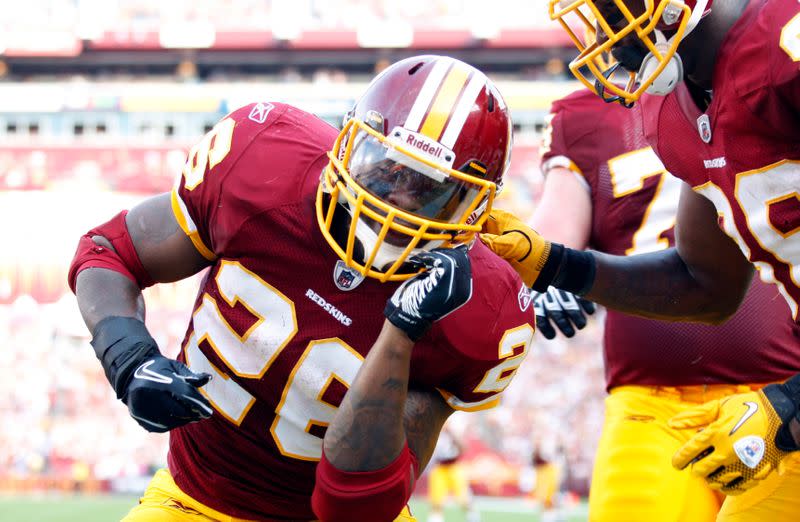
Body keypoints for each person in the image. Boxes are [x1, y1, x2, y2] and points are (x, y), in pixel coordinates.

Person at [68, 55, 536, 522]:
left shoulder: (482, 308)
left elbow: (355, 507)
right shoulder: (263, 160)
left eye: (432, 189)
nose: (398, 200)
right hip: (194, 500)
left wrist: (403, 328)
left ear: (475, 207)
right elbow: (108, 249)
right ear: (350, 142)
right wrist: (129, 359)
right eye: (387, 168)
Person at [479, 0, 800, 518]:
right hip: (709, 404)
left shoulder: (786, 41)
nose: (604, 29)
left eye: (612, 7)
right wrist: (556, 264)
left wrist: (791, 404)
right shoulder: (677, 108)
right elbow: (705, 284)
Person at [531, 86, 800, 521]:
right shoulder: (583, 114)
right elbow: (554, 230)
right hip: (649, 407)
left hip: (778, 397)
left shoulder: (757, 75)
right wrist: (545, 268)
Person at [426, 425, 479, 522]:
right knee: (437, 501)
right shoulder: (434, 433)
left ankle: (472, 516)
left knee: (464, 498)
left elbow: (463, 448)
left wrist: (452, 433)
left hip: (454, 467)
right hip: (439, 468)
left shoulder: (453, 433)